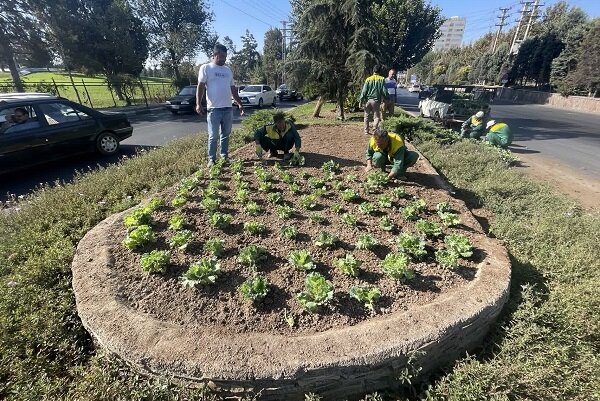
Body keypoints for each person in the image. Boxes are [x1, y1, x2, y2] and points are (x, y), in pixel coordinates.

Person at [196, 43, 245, 166]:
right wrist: (198, 104)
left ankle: (224, 156)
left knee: (226, 134)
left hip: (228, 108)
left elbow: (233, 89)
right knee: (213, 136)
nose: (224, 58)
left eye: (225, 56)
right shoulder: (206, 68)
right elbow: (200, 86)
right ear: (214, 54)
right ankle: (211, 159)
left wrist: (239, 103)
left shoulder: (227, 70)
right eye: (221, 56)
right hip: (214, 109)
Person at [359, 65, 388, 136]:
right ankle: (374, 129)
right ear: (380, 71)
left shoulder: (368, 79)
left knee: (366, 116)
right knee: (377, 117)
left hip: (368, 101)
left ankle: (366, 131)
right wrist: (387, 98)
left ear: (373, 71)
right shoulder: (382, 79)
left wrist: (361, 100)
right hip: (376, 101)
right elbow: (384, 91)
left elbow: (364, 91)